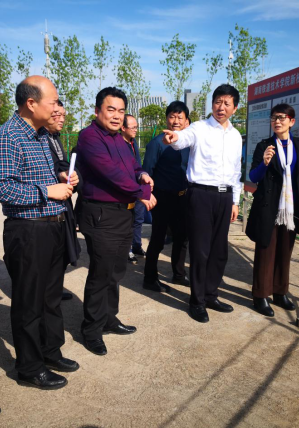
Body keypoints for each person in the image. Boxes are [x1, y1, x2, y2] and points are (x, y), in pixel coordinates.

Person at [0, 76, 79, 391]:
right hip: (28, 231)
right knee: (28, 302)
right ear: (31, 103)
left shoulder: (42, 136)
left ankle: (50, 352)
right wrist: (47, 191)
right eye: (52, 101)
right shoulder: (7, 137)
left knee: (51, 298)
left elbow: (40, 176)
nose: (57, 108)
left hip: (53, 226)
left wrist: (62, 178)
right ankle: (29, 367)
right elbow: (2, 188)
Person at [76, 87, 156, 356]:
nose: (116, 115)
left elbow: (132, 167)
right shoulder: (89, 137)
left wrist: (142, 174)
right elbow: (111, 174)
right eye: (111, 109)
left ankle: (109, 318)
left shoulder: (120, 140)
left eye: (121, 111)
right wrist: (143, 192)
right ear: (97, 110)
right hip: (102, 215)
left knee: (116, 271)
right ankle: (91, 329)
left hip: (123, 214)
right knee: (101, 273)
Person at [162, 84, 242, 323]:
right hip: (201, 195)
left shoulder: (236, 136)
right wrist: (175, 137)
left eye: (227, 103)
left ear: (235, 108)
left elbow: (236, 171)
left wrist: (235, 201)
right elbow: (182, 139)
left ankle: (210, 295)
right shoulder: (199, 128)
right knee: (200, 250)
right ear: (212, 104)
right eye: (217, 102)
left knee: (219, 251)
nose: (221, 107)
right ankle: (196, 301)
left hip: (225, 196)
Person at [246, 103, 299, 317]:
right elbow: (254, 177)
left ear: (292, 122)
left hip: (291, 207)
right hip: (269, 205)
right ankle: (260, 295)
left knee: (285, 250)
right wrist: (264, 162)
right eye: (274, 117)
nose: (277, 121)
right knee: (265, 250)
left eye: (282, 117)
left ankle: (280, 292)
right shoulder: (264, 146)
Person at [142, 101, 191, 293]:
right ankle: (149, 278)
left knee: (182, 237)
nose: (176, 121)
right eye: (172, 116)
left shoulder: (188, 143)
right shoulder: (157, 144)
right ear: (166, 119)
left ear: (186, 121)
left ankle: (179, 274)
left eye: (180, 117)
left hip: (183, 197)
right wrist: (147, 196)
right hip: (162, 198)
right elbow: (147, 172)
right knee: (158, 238)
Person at [46, 100, 81, 301]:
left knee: (62, 251)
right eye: (56, 115)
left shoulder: (56, 138)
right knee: (50, 255)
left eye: (63, 116)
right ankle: (48, 293)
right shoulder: (39, 139)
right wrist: (59, 175)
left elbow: (62, 165)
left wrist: (71, 176)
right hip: (48, 203)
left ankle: (55, 290)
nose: (61, 119)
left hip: (63, 202)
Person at [120, 114, 146, 264]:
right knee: (128, 221)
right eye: (133, 127)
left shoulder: (133, 142)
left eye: (137, 127)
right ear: (123, 128)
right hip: (127, 189)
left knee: (139, 219)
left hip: (139, 187)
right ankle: (127, 250)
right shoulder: (118, 145)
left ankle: (137, 245)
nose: (136, 130)